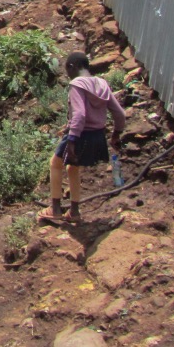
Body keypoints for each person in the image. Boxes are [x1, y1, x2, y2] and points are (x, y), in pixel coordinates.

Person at [40, 51, 127, 224]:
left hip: (80, 135)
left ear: (74, 67)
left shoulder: (77, 85)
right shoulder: (102, 84)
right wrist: (116, 134)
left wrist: (72, 140)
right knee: (73, 168)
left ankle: (55, 208)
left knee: (55, 164)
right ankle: (74, 211)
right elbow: (120, 114)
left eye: (68, 70)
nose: (68, 74)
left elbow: (79, 115)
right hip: (97, 136)